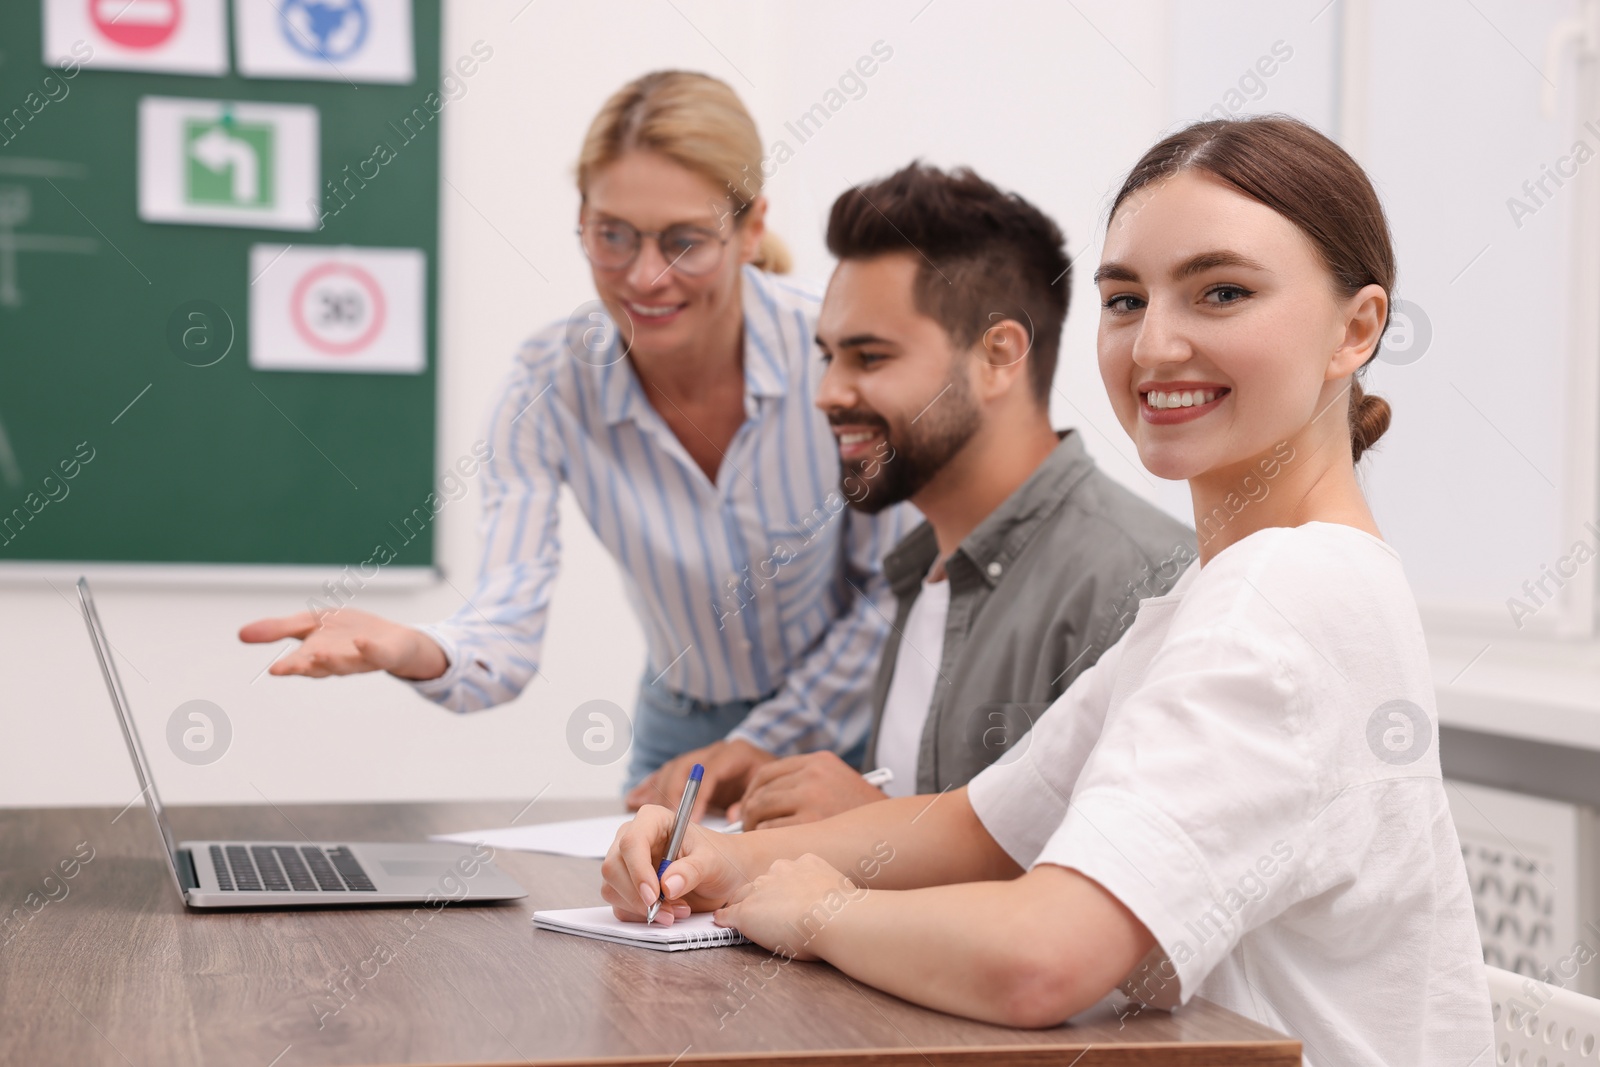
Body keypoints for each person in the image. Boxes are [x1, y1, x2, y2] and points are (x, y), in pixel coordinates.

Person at [601, 115, 1493, 1063]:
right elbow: (979, 825)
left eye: (1221, 292)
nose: (1154, 346)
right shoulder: (1221, 592)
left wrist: (818, 908)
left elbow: (1044, 959)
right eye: (1124, 300)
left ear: (1355, 329)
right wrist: (723, 857)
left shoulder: (1282, 597)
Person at [238, 70, 910, 798]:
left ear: (750, 231)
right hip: (681, 725)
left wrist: (760, 741)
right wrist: (415, 647)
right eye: (612, 236)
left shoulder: (835, 349)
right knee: (641, 910)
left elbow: (890, 593)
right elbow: (505, 626)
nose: (645, 278)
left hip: (851, 721)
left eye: (685, 240)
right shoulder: (549, 383)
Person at [732, 162, 1194, 830]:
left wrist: (871, 824)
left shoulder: (1145, 585)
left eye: (869, 358)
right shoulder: (921, 577)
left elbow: (1125, 898)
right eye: (826, 356)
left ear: (998, 356)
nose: (827, 392)